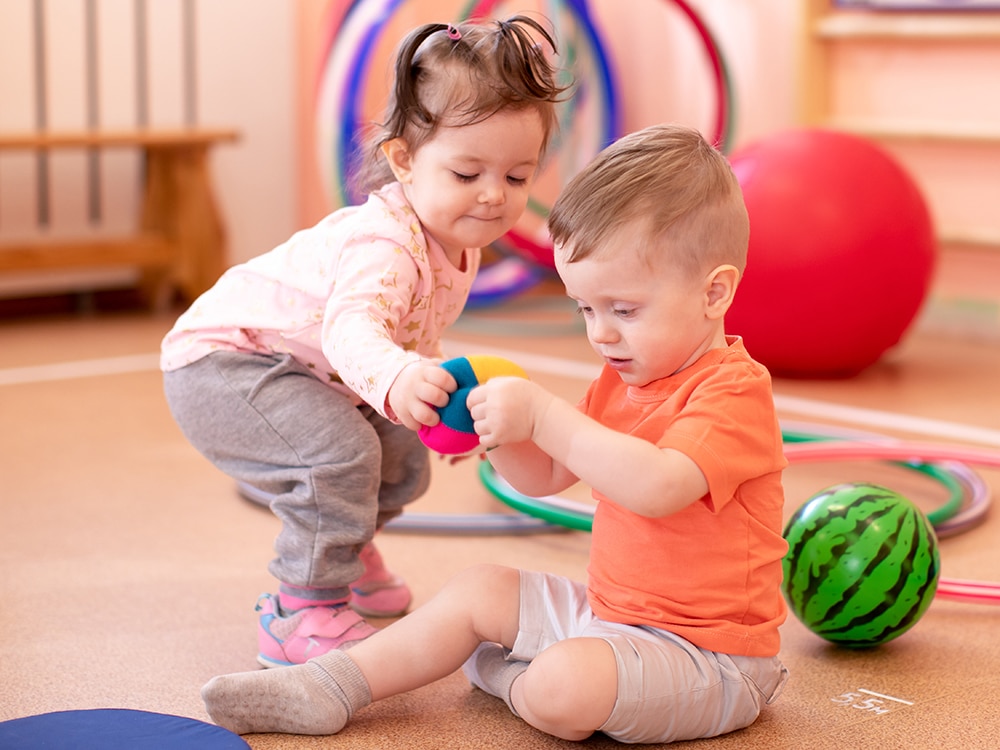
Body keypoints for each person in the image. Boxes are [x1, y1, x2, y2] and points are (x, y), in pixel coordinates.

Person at [199, 124, 790, 744]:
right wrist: (498, 428)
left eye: (624, 309)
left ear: (714, 292)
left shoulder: (733, 392)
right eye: (585, 309)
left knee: (565, 686)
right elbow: (543, 477)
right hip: (612, 617)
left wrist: (544, 415)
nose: (601, 334)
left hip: (710, 656)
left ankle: (511, 679)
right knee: (479, 587)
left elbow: (657, 485)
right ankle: (329, 685)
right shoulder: (624, 380)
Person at [161, 16, 568, 668]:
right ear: (404, 160)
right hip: (225, 361)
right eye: (467, 174)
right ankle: (302, 609)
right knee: (338, 458)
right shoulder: (382, 246)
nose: (494, 196)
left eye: (517, 178)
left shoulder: (455, 245)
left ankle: (343, 555)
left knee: (403, 456)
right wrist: (400, 379)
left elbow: (409, 332)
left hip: (308, 368)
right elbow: (354, 331)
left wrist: (440, 395)